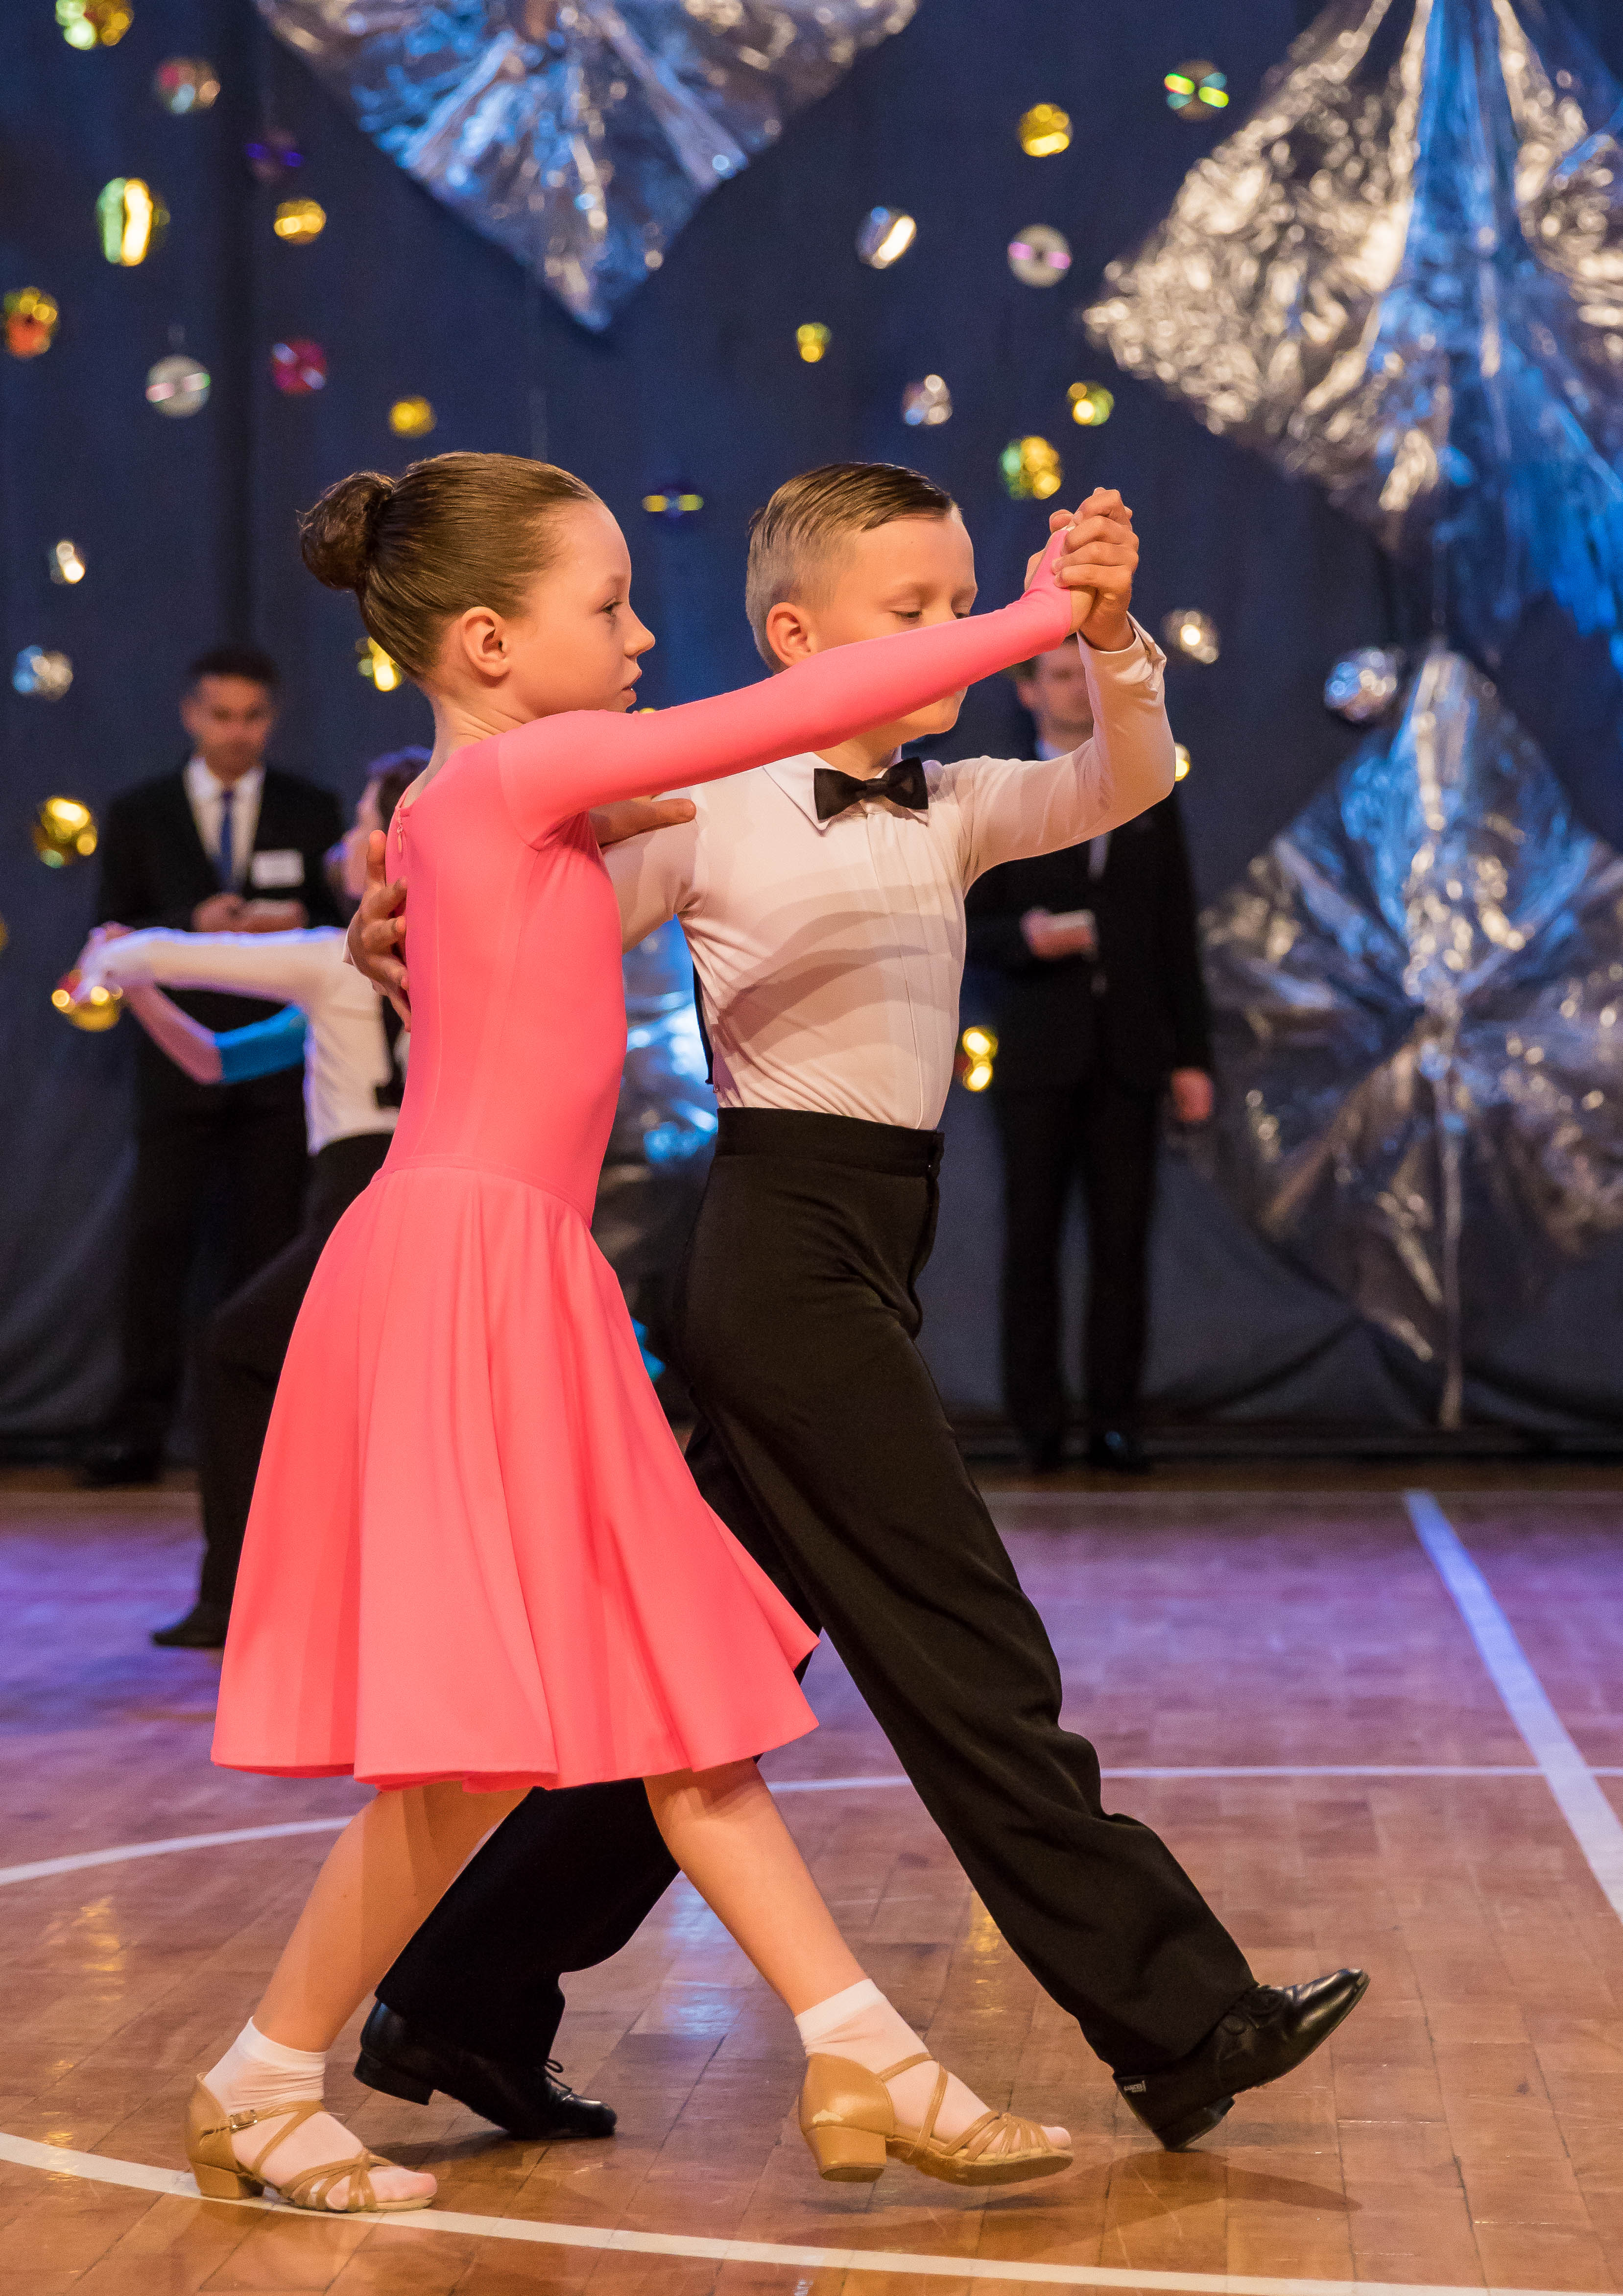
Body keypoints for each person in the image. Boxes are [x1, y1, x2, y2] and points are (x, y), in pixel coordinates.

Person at [348, 461, 1366, 2160]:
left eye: (965, 601)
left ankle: (458, 1997)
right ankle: (1180, 2018)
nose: (951, 631)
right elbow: (524, 921)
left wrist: (1112, 639)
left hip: (870, 1250)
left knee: (714, 1670)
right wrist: (399, 922)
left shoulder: (953, 801)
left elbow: (1127, 777)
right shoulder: (705, 802)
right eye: (917, 609)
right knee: (966, 1644)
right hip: (778, 1259)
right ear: (797, 637)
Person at [168, 449, 1108, 2219]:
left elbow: (688, 808)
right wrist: (1039, 614)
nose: (640, 634)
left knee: (651, 1707)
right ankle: (283, 2074)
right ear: (486, 643)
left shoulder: (501, 808)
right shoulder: (514, 774)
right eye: (606, 607)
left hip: (509, 1273)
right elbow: (796, 708)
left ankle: (847, 2046)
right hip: (471, 1272)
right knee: (576, 1723)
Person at [77, 756, 423, 1651]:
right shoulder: (440, 950)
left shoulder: (330, 956)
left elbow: (178, 953)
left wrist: (111, 954)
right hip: (427, 1200)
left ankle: (233, 1599)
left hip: (362, 1199)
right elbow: (216, 1061)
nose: (343, 839)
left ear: (391, 843)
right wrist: (139, 995)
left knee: (235, 1353)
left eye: (359, 821)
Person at [83, 647, 345, 1487]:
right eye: (222, 715)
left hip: (277, 1061)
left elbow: (341, 926)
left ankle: (260, 1432)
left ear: (273, 718)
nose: (237, 733)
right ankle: (136, 1431)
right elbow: (113, 927)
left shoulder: (310, 808)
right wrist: (191, 922)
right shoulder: (142, 811)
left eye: (253, 717)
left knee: (268, 1245)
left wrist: (288, 920)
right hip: (176, 1057)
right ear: (191, 714)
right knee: (157, 1244)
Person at [964, 646, 1215, 1474]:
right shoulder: (1002, 795)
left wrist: (1191, 1056)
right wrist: (1024, 938)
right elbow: (962, 925)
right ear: (1028, 692)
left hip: (1128, 1053)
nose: (1078, 689)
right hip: (1036, 1052)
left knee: (1122, 1244)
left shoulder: (1144, 786)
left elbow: (1175, 930)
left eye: (1087, 675)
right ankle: (1036, 1422)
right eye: (1062, 676)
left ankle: (1115, 1420)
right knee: (1031, 1240)